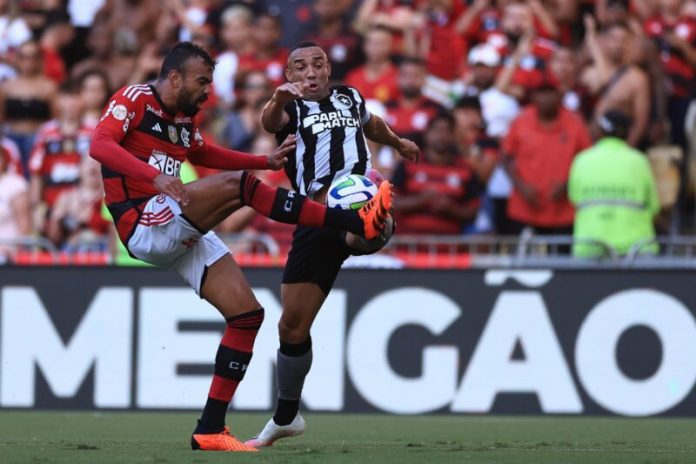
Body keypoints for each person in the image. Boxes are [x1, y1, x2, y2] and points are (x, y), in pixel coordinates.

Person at [89, 41, 393, 453]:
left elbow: (204, 152)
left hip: (177, 224)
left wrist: (261, 162)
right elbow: (100, 145)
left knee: (248, 315)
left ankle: (210, 429)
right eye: (202, 82)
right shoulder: (135, 99)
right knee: (240, 190)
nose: (207, 92)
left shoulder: (182, 120)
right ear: (174, 77)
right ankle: (351, 219)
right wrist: (154, 176)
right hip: (144, 219)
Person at [247, 41, 419, 448]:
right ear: (290, 75)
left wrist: (397, 142)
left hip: (353, 196)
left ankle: (374, 221)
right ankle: (287, 417)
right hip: (313, 217)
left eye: (317, 65)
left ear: (328, 69)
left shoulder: (351, 97)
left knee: (360, 226)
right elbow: (269, 124)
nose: (309, 73)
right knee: (291, 327)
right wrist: (276, 98)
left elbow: (371, 123)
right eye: (300, 67)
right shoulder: (289, 105)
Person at [503, 79, 592, 236]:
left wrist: (568, 184)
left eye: (550, 92)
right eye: (541, 93)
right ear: (534, 96)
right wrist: (521, 186)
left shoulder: (575, 122)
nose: (546, 98)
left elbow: (587, 160)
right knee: (521, 259)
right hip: (525, 208)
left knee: (560, 260)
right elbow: (505, 158)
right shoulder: (521, 120)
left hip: (562, 211)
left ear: (559, 95)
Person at [569, 110, 660, 257]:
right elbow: (654, 206)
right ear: (627, 133)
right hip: (635, 247)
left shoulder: (582, 160)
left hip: (589, 246)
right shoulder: (639, 161)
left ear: (600, 132)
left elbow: (574, 199)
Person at [392, 112, 481, 235]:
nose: (441, 135)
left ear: (453, 135)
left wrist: (451, 209)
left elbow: (473, 212)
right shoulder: (407, 165)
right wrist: (421, 200)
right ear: (426, 134)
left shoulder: (466, 170)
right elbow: (391, 203)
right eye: (437, 130)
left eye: (447, 131)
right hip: (407, 247)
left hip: (450, 249)